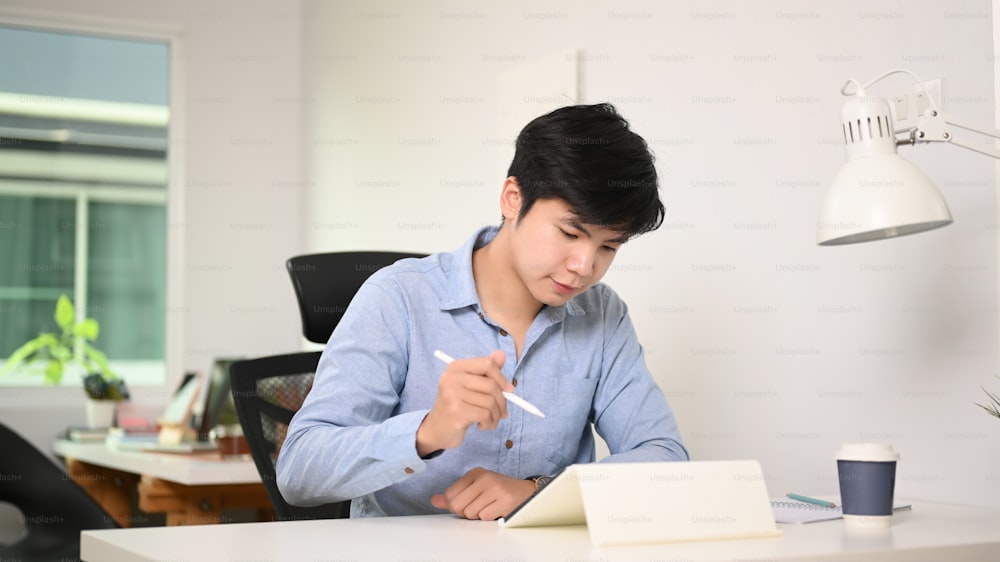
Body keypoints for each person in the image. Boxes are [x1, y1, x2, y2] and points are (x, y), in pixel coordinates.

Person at [276, 103, 689, 520]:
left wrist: (538, 493)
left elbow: (665, 458)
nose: (585, 267)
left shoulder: (602, 315)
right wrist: (426, 432)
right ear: (513, 199)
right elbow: (298, 471)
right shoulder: (398, 297)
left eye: (608, 247)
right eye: (569, 232)